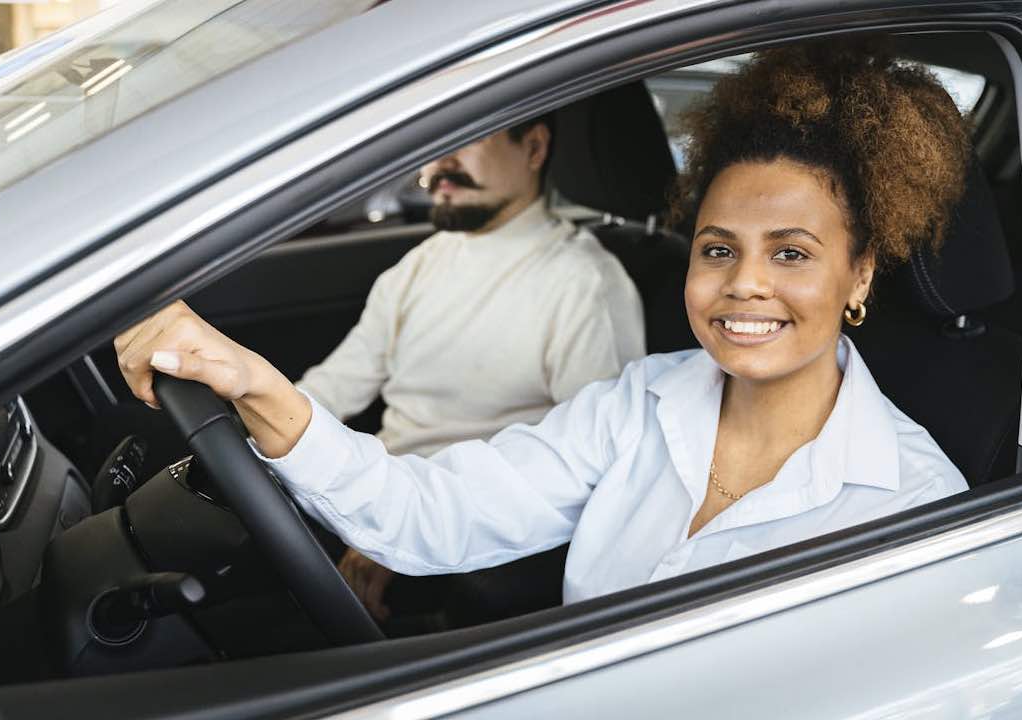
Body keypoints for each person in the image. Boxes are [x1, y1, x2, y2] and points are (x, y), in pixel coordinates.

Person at [114, 40, 971, 608]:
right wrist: (255, 384)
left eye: (790, 254)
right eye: (717, 250)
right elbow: (428, 512)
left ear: (859, 272)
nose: (744, 285)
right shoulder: (640, 405)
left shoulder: (913, 501)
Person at [296, 116, 646, 617]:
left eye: (467, 135)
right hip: (370, 498)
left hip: (467, 537)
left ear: (534, 148)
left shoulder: (583, 283)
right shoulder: (421, 263)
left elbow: (595, 467)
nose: (442, 162)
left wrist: (412, 537)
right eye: (433, 140)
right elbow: (334, 388)